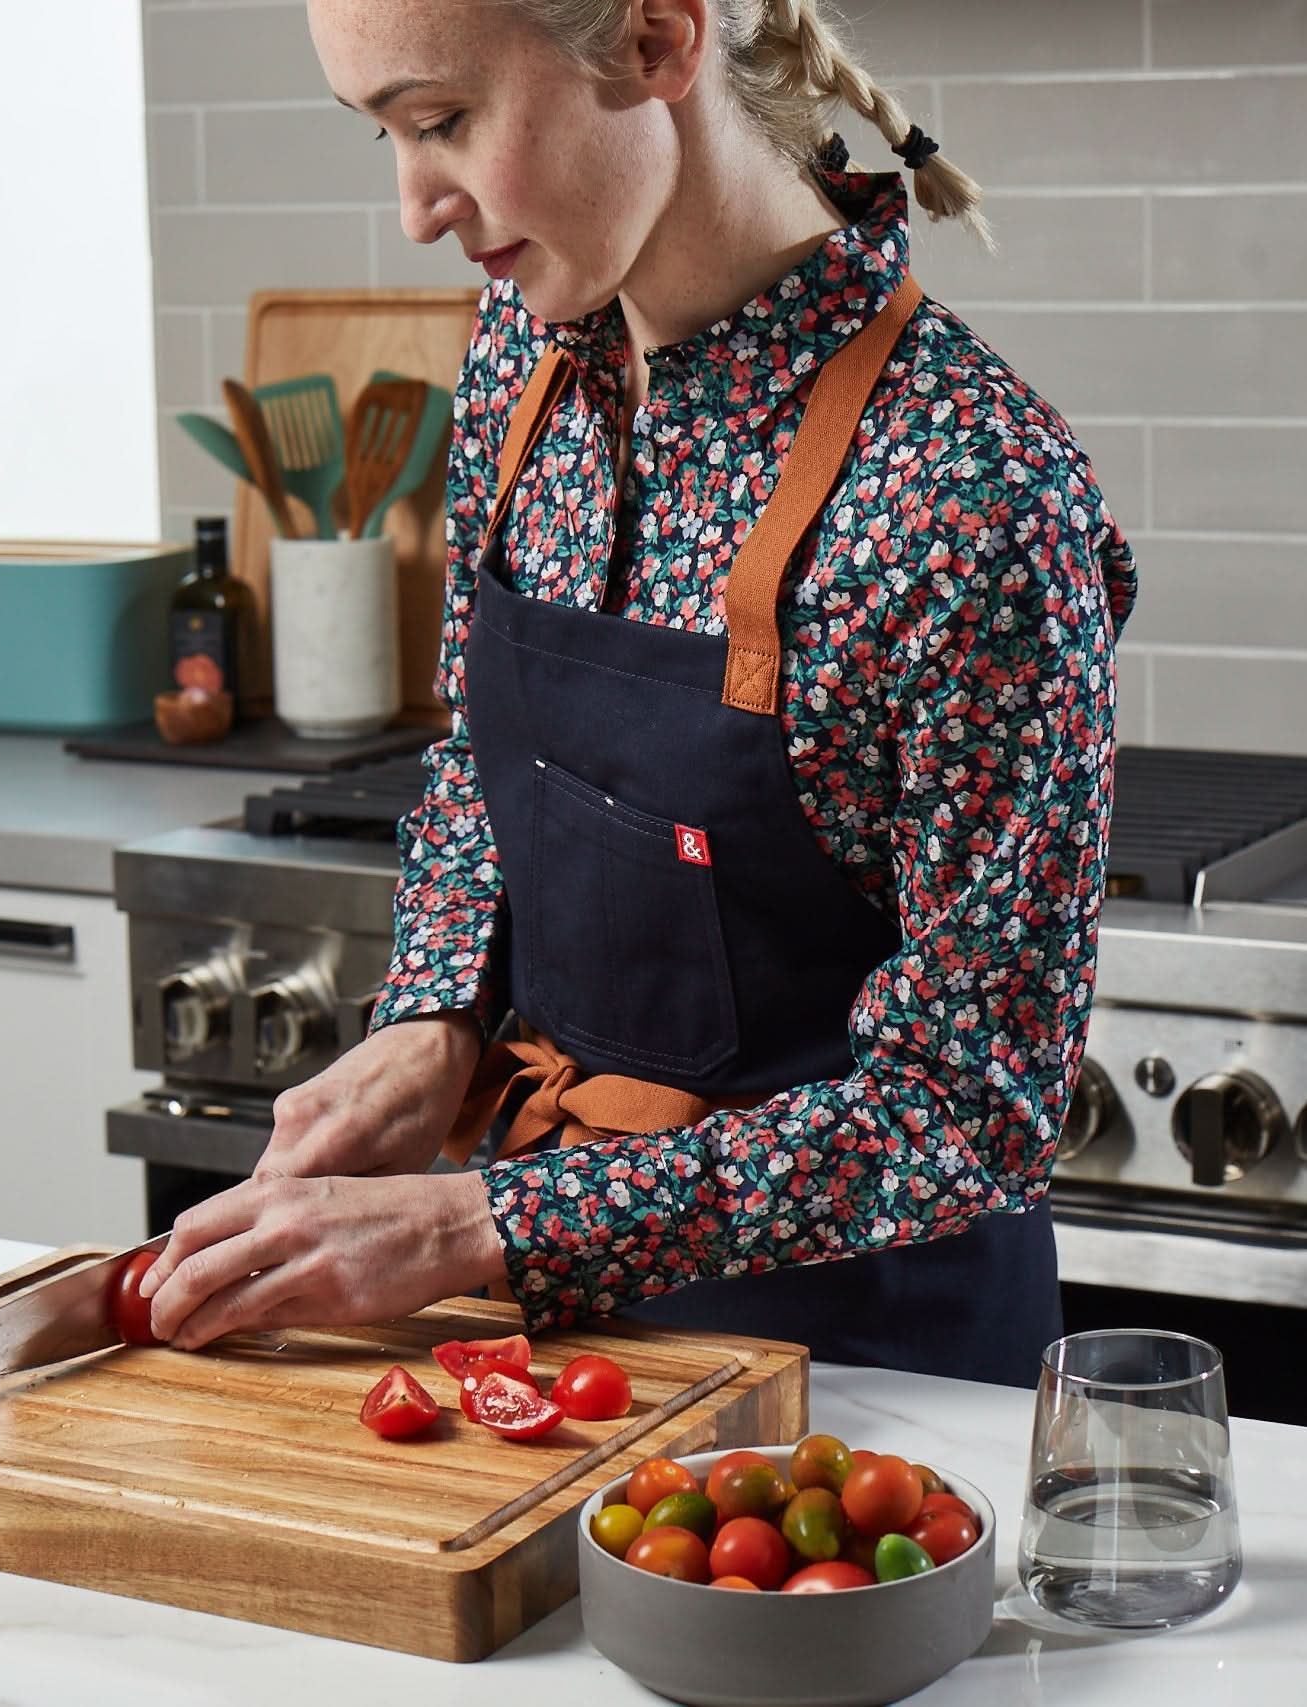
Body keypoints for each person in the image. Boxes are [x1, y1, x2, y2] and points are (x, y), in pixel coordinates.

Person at [141, 0, 1137, 1387]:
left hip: (865, 1404)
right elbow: (480, 771)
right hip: (546, 1357)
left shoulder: (971, 490)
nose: (417, 207)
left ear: (663, 45)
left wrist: (487, 1216)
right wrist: (435, 1014)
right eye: (383, 133)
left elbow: (971, 1114)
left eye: (444, 123)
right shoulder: (524, 352)